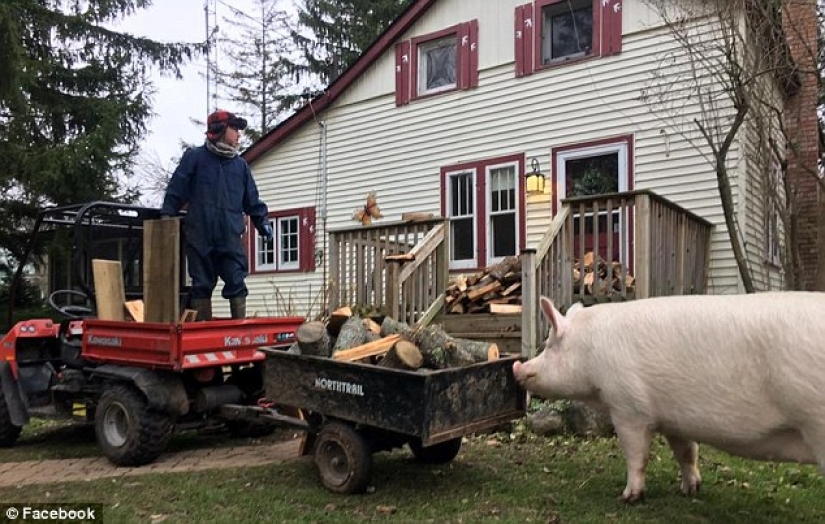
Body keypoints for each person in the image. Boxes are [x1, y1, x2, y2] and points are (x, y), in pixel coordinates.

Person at [160, 110, 273, 320]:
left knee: (236, 281)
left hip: (229, 237)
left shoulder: (240, 167)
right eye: (235, 129)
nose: (239, 134)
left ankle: (238, 334)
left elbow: (252, 201)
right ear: (220, 130)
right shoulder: (195, 158)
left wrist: (262, 222)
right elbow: (176, 190)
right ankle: (203, 333)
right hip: (200, 235)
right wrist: (167, 216)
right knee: (201, 284)